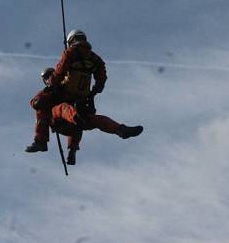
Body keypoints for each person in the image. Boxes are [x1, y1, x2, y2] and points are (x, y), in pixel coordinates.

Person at [25, 29, 143, 165]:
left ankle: (121, 130)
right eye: (47, 77)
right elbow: (36, 103)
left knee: (91, 118)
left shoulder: (69, 55)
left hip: (69, 120)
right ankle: (75, 130)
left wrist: (54, 84)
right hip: (64, 117)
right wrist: (95, 89)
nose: (48, 78)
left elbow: (60, 70)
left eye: (49, 75)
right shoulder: (95, 59)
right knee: (68, 110)